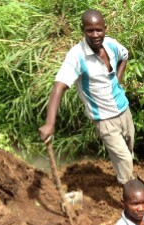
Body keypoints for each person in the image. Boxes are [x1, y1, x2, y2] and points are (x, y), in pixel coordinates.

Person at [38, 9, 135, 185]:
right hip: (104, 119)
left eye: (99, 30)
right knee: (125, 159)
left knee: (128, 152)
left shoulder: (111, 45)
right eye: (90, 30)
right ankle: (130, 195)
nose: (95, 35)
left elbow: (124, 56)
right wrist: (50, 123)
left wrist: (118, 82)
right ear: (82, 29)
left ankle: (126, 181)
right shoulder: (76, 56)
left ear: (105, 28)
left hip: (123, 109)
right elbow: (59, 86)